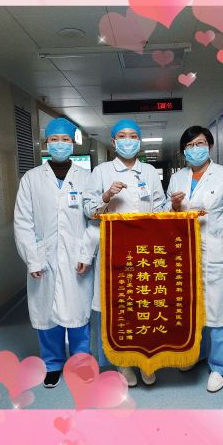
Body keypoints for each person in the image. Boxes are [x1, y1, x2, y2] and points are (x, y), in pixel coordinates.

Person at [82, 119, 168, 387]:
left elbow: (160, 207)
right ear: (113, 141)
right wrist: (106, 196)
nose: (128, 140)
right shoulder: (101, 171)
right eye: (122, 136)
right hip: (114, 250)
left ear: (139, 141)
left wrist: (172, 209)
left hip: (145, 249)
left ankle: (146, 360)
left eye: (133, 136)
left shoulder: (149, 172)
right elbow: (89, 210)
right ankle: (123, 363)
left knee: (145, 307)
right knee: (120, 310)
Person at [13, 117, 96, 388]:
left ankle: (82, 362)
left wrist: (86, 253)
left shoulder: (86, 178)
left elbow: (95, 221)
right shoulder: (31, 179)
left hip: (77, 257)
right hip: (44, 257)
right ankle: (52, 364)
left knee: (78, 311)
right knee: (46, 312)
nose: (60, 144)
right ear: (46, 143)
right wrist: (32, 258)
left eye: (65, 140)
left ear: (73, 143)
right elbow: (23, 221)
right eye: (54, 140)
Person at [167, 126, 223, 392]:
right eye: (190, 145)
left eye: (200, 144)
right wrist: (174, 207)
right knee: (191, 309)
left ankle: (219, 368)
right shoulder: (177, 178)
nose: (195, 149)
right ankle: (195, 354)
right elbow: (167, 216)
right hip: (185, 254)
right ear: (184, 151)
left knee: (220, 311)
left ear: (210, 146)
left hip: (217, 253)